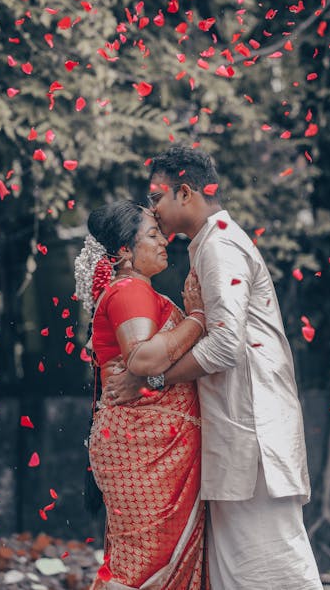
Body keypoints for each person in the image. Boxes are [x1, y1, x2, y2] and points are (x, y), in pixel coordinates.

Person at [106, 146, 323, 590]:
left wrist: (152, 378)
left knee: (270, 569)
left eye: (157, 197)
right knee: (237, 573)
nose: (153, 210)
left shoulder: (220, 246)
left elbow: (226, 346)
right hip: (238, 432)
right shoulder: (210, 242)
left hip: (252, 435)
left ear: (185, 192)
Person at [74, 200, 210, 590]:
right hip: (143, 447)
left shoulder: (135, 291)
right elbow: (144, 359)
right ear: (124, 253)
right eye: (152, 235)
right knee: (143, 571)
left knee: (146, 566)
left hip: (152, 446)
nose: (164, 240)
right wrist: (198, 318)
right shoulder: (129, 289)